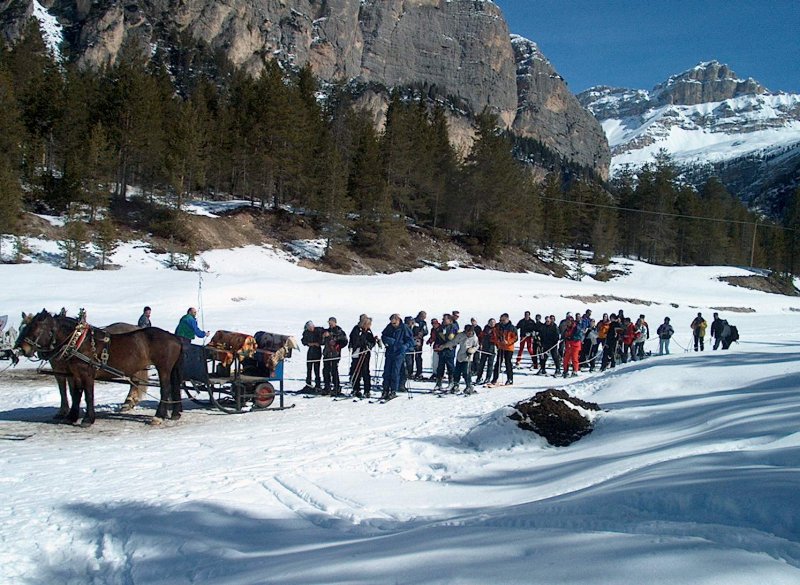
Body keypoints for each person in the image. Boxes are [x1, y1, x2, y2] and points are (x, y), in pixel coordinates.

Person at [381, 314, 414, 400]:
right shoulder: (389, 327)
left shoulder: (404, 328)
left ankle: (393, 390)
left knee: (395, 372)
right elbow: (383, 336)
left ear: (398, 320)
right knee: (387, 372)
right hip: (389, 352)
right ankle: (385, 390)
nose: (393, 325)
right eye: (392, 323)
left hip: (399, 353)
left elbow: (411, 341)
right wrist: (389, 341)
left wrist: (405, 346)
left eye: (394, 323)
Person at [441, 324, 479, 394]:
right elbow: (453, 342)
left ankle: (469, 386)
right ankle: (456, 385)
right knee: (457, 372)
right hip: (460, 356)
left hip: (468, 357)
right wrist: (444, 346)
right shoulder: (461, 335)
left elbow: (476, 346)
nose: (469, 334)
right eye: (467, 332)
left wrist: (472, 350)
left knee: (466, 373)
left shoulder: (474, 338)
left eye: (470, 332)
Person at [349, 315, 376, 398]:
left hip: (365, 353)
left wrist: (370, 344)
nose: (369, 326)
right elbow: (354, 340)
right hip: (357, 352)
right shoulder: (356, 329)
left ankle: (367, 390)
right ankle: (356, 389)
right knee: (356, 370)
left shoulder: (368, 331)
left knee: (365, 371)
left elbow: (371, 341)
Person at [322, 317, 347, 396]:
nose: (330, 324)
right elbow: (322, 342)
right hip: (327, 353)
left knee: (334, 371)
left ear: (335, 322)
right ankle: (327, 387)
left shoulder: (339, 331)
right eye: (329, 323)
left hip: (335, 354)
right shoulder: (326, 331)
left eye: (331, 322)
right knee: (326, 371)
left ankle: (336, 387)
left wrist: (336, 342)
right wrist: (323, 336)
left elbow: (344, 341)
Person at [433, 314, 458, 391]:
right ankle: (438, 383)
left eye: (444, 319)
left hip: (449, 350)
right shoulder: (440, 328)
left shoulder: (453, 328)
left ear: (449, 320)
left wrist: (444, 346)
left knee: (450, 367)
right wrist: (436, 346)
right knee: (440, 367)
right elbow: (437, 338)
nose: (443, 320)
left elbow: (452, 340)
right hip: (441, 351)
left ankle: (452, 382)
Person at [491, 313, 517, 385]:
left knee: (508, 363)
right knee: (498, 363)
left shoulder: (512, 328)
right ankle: (495, 379)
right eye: (501, 320)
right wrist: (498, 341)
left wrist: (508, 342)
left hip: (509, 348)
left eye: (503, 320)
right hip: (501, 347)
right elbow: (495, 335)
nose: (502, 321)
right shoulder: (498, 327)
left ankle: (510, 379)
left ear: (507, 319)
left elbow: (515, 338)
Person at [301, 320, 323, 392]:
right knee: (309, 368)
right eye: (308, 328)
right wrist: (309, 344)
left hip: (317, 351)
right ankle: (308, 384)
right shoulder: (306, 332)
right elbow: (303, 341)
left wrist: (317, 343)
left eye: (311, 327)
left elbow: (322, 341)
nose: (310, 329)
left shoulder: (318, 331)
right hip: (310, 351)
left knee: (317, 369)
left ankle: (318, 385)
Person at [475, 317, 497, 383]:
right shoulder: (486, 328)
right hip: (485, 348)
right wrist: (480, 343)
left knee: (490, 364)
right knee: (482, 364)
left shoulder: (496, 329)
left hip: (492, 349)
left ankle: (488, 378)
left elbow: (497, 338)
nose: (492, 324)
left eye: (493, 322)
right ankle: (479, 377)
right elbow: (481, 336)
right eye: (491, 322)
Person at [412, 311, 428, 380]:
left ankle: (419, 372)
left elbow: (426, 331)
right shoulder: (413, 321)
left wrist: (422, 333)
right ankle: (409, 372)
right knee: (410, 356)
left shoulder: (424, 323)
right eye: (423, 316)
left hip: (419, 341)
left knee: (418, 356)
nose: (424, 318)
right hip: (412, 339)